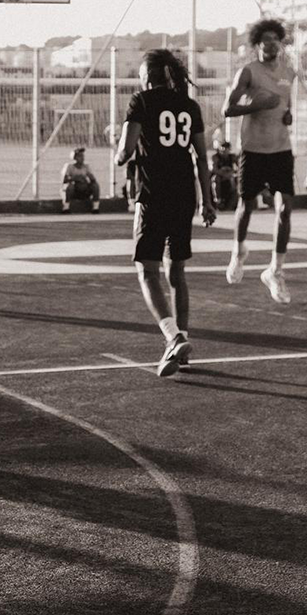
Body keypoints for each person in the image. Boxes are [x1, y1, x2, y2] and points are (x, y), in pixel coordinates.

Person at [116, 49, 215, 377]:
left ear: (148, 76)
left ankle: (172, 336)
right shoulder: (189, 106)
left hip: (154, 194)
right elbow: (202, 157)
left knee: (147, 270)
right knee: (177, 272)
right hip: (184, 194)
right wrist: (208, 200)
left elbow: (125, 151)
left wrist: (119, 151)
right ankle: (181, 344)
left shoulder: (141, 101)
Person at [223, 18, 296, 303]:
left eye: (275, 38)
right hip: (253, 150)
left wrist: (288, 115)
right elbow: (227, 109)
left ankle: (275, 271)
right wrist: (255, 105)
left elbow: (285, 106)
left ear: (280, 42)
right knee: (247, 205)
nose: (271, 43)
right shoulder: (248, 72)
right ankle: (238, 251)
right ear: (257, 44)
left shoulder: (289, 73)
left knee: (285, 209)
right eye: (265, 39)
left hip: (281, 149)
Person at [60, 146, 100, 213]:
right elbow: (64, 180)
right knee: (69, 186)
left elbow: (93, 180)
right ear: (74, 157)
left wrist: (89, 178)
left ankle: (95, 207)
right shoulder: (69, 167)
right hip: (74, 191)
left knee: (95, 186)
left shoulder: (86, 167)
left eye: (83, 156)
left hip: (83, 190)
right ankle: (66, 208)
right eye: (80, 156)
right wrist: (75, 179)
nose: (82, 158)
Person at [210, 140, 238, 210]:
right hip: (219, 177)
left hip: (229, 176)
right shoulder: (215, 157)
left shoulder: (232, 157)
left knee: (235, 181)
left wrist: (231, 172)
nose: (225, 150)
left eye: (227, 148)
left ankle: (232, 203)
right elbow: (214, 169)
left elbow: (240, 167)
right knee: (216, 179)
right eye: (223, 147)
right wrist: (224, 174)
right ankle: (218, 199)